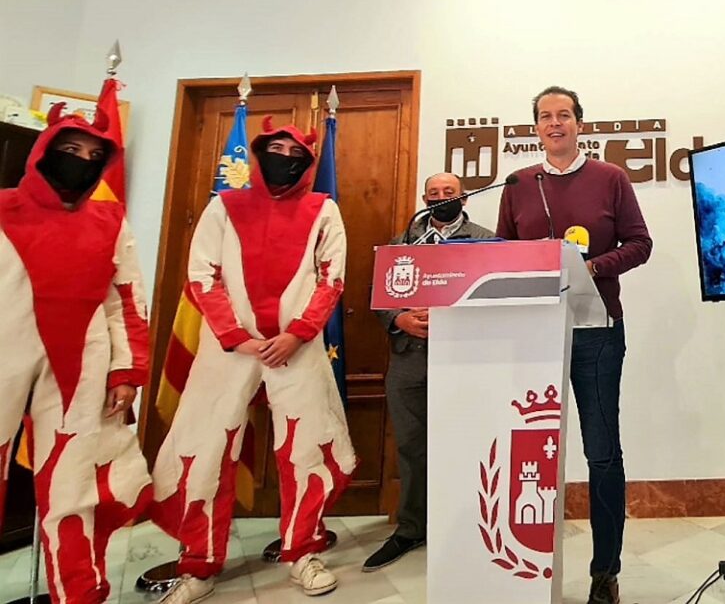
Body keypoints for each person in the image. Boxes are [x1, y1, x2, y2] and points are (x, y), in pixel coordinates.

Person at [151, 118, 356, 603]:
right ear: (260, 153)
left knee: (307, 446)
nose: (284, 158)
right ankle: (198, 563)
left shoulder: (323, 209)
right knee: (203, 448)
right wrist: (236, 336)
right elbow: (202, 275)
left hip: (296, 347)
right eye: (276, 149)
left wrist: (298, 333)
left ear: (308, 163)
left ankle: (303, 551)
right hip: (228, 349)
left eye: (295, 153)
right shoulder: (223, 206)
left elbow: (331, 279)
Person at [496, 86, 653, 604]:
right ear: (536, 128)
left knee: (601, 452)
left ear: (579, 124)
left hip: (596, 332)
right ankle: (523, 567)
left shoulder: (611, 177)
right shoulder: (518, 184)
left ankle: (605, 572)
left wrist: (591, 267)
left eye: (564, 114)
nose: (555, 123)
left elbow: (640, 243)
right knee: (528, 448)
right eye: (545, 116)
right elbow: (501, 253)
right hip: (533, 332)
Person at [0, 104, 152, 604]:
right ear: (45, 151)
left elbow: (125, 301)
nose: (81, 161)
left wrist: (126, 370)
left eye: (93, 156)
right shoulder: (2, 207)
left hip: (83, 361)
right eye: (71, 149)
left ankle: (79, 596)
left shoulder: (109, 220)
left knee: (74, 489)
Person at [363, 172, 495, 571]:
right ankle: (411, 528)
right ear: (424, 200)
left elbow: (494, 297)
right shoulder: (402, 242)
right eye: (434, 194)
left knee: (467, 444)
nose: (441, 198)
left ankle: (469, 528)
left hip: (462, 359)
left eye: (449, 193)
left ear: (464, 198)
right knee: (411, 445)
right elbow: (378, 294)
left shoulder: (486, 241)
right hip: (409, 358)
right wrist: (398, 319)